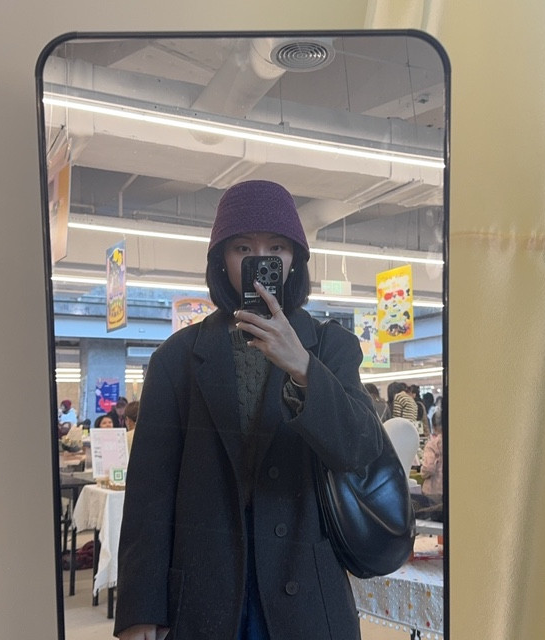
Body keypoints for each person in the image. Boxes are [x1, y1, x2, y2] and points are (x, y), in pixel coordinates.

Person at [114, 180, 383, 640]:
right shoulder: (177, 359)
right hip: (205, 595)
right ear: (222, 258)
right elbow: (150, 492)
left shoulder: (331, 347)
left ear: (295, 258)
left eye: (276, 247)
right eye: (243, 248)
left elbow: (360, 450)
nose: (261, 261)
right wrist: (140, 608)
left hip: (307, 591)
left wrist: (303, 368)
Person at [421, 408, 443, 496]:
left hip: (433, 491)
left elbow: (428, 467)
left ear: (433, 427)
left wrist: (422, 473)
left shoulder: (432, 445)